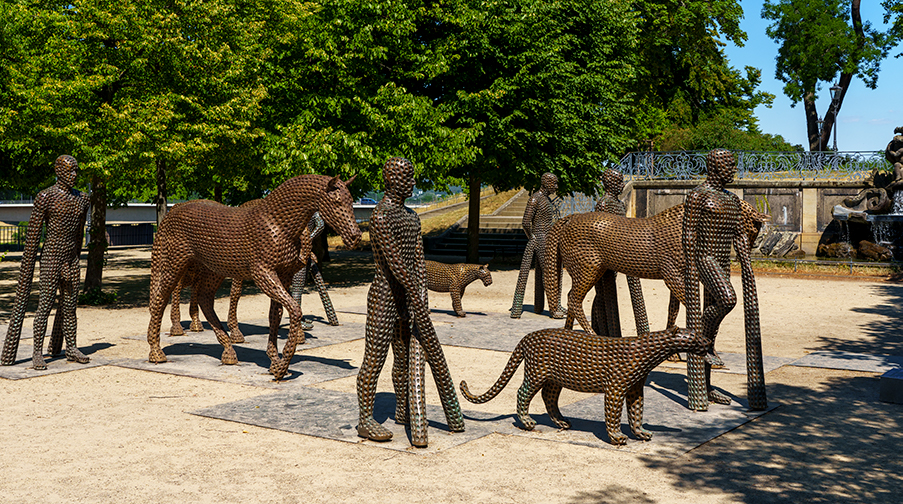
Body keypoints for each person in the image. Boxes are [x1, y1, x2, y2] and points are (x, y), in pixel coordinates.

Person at [356, 157, 464, 447]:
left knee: (403, 358)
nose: (413, 182)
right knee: (375, 359)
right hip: (384, 296)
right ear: (391, 180)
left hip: (409, 298)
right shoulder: (380, 217)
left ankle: (403, 409)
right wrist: (416, 294)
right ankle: (365, 419)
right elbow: (394, 263)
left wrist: (421, 298)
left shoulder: (412, 218)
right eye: (407, 177)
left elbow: (418, 261)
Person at [683, 149, 765, 411]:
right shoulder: (698, 195)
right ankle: (703, 342)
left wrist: (746, 260)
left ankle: (705, 388)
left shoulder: (731, 200)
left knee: (714, 330)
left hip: (723, 262)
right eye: (729, 165)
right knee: (728, 299)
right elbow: (688, 234)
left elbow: (740, 233)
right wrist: (690, 266)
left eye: (733, 165)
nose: (733, 170)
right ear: (716, 167)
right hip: (704, 260)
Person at [2, 155, 91, 370]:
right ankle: (36, 352)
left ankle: (71, 347)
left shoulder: (83, 199)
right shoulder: (46, 197)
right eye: (70, 171)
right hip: (51, 258)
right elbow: (33, 237)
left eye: (76, 170)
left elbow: (79, 234)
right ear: (59, 171)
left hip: (71, 259)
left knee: (70, 306)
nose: (74, 175)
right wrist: (27, 269)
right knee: (45, 305)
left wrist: (75, 259)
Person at [511, 172, 558, 318]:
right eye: (554, 184)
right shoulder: (535, 199)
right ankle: (554, 308)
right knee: (549, 274)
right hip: (539, 238)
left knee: (541, 273)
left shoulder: (546, 200)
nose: (556, 187)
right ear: (545, 183)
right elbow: (526, 222)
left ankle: (539, 306)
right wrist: (532, 237)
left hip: (545, 239)